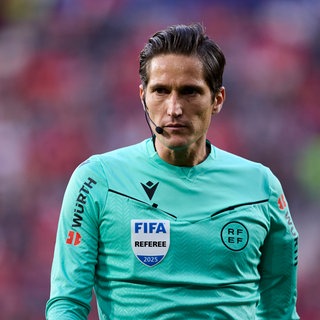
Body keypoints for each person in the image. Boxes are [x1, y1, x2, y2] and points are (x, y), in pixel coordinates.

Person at [46, 23, 299, 319]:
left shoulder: (261, 187)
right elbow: (67, 304)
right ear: (143, 96)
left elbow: (280, 311)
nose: (174, 108)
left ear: (217, 99)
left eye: (190, 92)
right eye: (161, 91)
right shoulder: (96, 180)